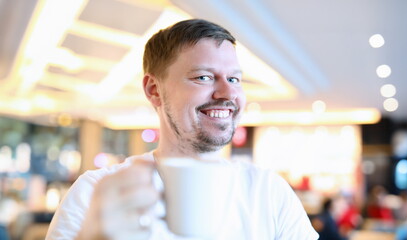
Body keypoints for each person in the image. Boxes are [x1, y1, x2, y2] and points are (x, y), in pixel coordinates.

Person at [46, 19, 318, 240]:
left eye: (234, 78)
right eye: (204, 77)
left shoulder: (268, 191)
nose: (227, 92)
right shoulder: (95, 194)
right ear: (154, 90)